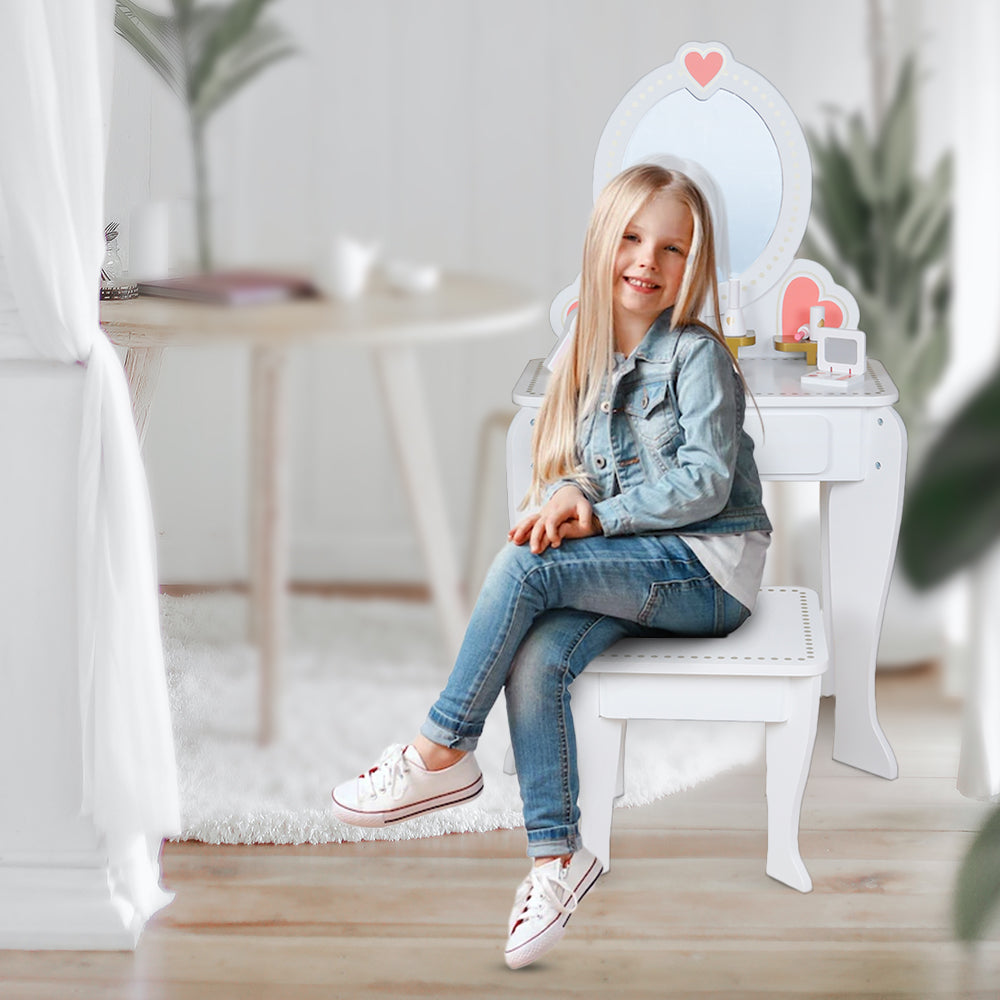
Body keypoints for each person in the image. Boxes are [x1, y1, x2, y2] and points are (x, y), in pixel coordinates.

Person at [331, 162, 772, 969]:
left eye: (673, 248)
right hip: (648, 558)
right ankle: (555, 860)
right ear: (603, 243)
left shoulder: (697, 355)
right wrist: (567, 498)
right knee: (536, 654)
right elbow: (597, 469)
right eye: (633, 238)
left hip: (709, 569)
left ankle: (441, 751)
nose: (648, 259)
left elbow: (705, 484)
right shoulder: (592, 359)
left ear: (693, 264)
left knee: (526, 571)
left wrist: (596, 516)